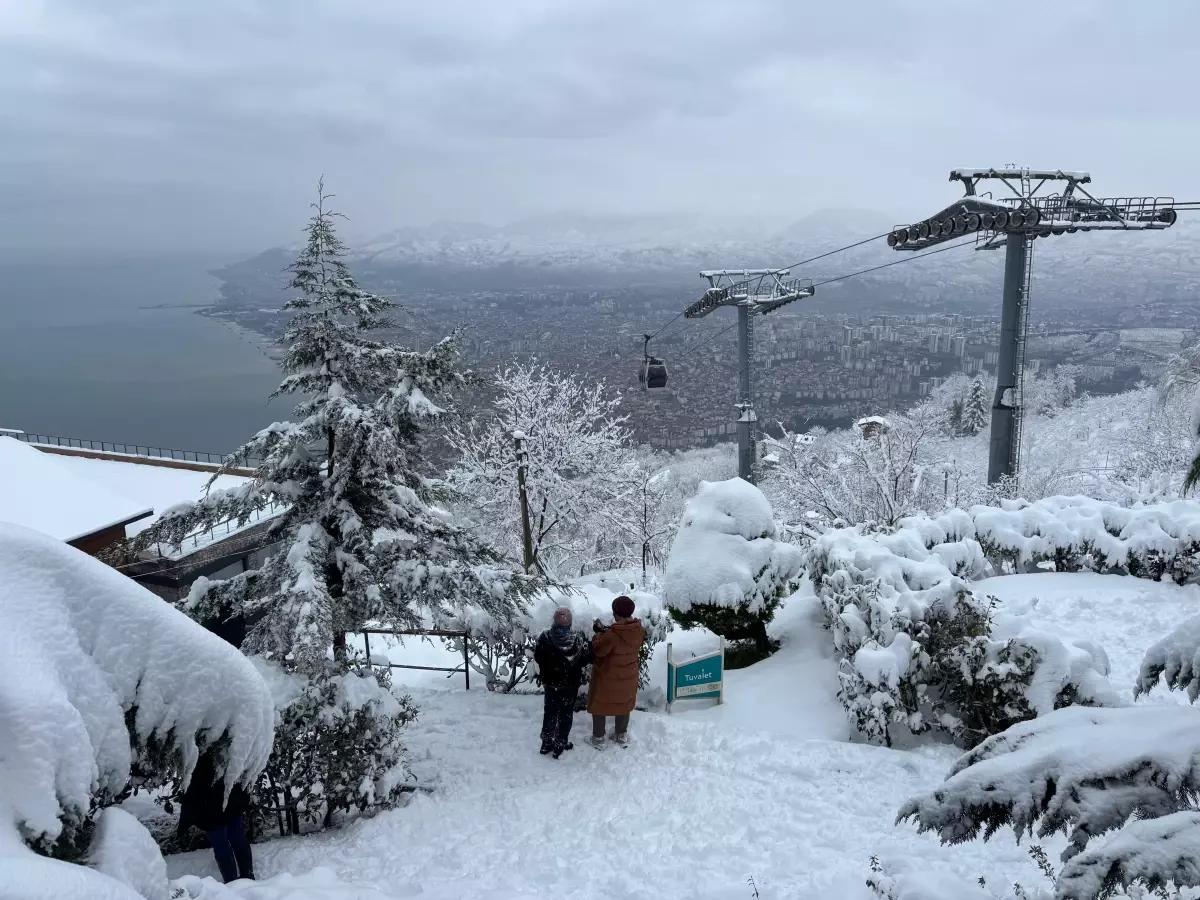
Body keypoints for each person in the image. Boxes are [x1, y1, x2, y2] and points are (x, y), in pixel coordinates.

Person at [177, 750, 255, 883]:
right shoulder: (229, 740)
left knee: (227, 840)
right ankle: (243, 880)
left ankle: (236, 881)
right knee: (232, 838)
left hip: (215, 802)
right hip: (225, 798)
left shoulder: (201, 746)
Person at [587, 595, 645, 749]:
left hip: (609, 675)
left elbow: (599, 650)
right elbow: (623, 638)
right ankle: (621, 734)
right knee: (624, 701)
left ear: (616, 614)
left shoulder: (612, 634)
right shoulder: (638, 629)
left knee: (600, 703)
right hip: (629, 674)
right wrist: (607, 632)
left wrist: (598, 634)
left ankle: (598, 737)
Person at [533, 607, 591, 758]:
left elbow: (538, 657)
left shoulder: (544, 637)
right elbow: (585, 660)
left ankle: (546, 743)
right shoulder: (578, 638)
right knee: (565, 713)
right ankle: (560, 743)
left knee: (550, 711)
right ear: (570, 622)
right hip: (570, 684)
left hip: (550, 683)